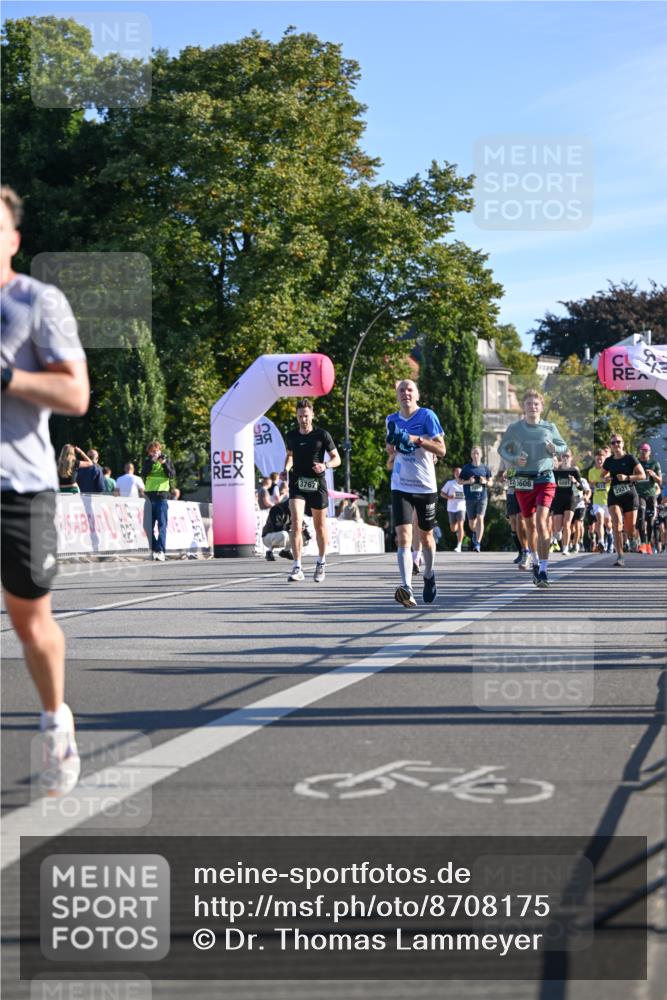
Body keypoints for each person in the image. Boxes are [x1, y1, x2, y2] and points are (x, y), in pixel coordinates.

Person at [1, 185, 90, 795]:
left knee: (30, 622)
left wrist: (8, 376)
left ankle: (56, 722)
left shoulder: (38, 303)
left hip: (19, 485)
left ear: (13, 240)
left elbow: (75, 395)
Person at [498, 389, 567, 588]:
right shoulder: (515, 428)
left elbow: (563, 446)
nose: (532, 407)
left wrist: (555, 449)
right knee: (529, 525)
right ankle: (535, 562)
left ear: (541, 407)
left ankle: (544, 570)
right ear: (524, 407)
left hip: (545, 478)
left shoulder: (549, 427)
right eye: (529, 404)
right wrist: (513, 459)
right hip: (523, 481)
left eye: (536, 404)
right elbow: (502, 448)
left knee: (541, 521)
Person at [386, 379, 446, 607]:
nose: (405, 393)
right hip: (400, 485)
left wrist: (417, 440)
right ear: (397, 395)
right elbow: (389, 448)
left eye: (410, 389)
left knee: (427, 537)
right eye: (401, 390)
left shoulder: (427, 416)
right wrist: (393, 446)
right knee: (403, 537)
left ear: (417, 394)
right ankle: (407, 587)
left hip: (425, 486)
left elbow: (442, 449)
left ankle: (429, 575)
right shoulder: (391, 419)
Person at [283, 398, 341, 582]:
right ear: (296, 416)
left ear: (312, 415)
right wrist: (285, 470)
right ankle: (297, 567)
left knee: (319, 526)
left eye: (306, 416)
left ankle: (321, 562)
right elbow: (290, 457)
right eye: (300, 416)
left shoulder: (322, 435)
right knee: (296, 523)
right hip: (297, 482)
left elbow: (337, 459)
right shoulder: (291, 436)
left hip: (316, 483)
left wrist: (325, 466)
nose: (303, 420)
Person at [603, 435, 645, 567]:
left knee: (630, 528)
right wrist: (606, 478)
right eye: (613, 443)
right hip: (614, 494)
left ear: (623, 443)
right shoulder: (609, 461)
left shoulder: (630, 458)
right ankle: (620, 556)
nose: (616, 445)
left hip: (630, 495)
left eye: (618, 442)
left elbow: (642, 475)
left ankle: (632, 537)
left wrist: (628, 477)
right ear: (611, 445)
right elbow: (602, 475)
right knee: (616, 524)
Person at [141, 440, 176, 561]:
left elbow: (171, 475)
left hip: (162, 497)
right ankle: (155, 548)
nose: (155, 453)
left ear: (160, 450)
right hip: (149, 497)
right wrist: (152, 462)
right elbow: (144, 473)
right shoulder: (148, 462)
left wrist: (164, 463)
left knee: (162, 525)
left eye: (157, 450)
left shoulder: (167, 460)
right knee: (147, 526)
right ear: (149, 453)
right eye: (152, 451)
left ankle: (160, 551)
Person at [460, 445, 492, 552]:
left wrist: (485, 482)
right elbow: (459, 481)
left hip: (482, 497)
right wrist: (468, 482)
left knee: (480, 518)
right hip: (469, 498)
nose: (475, 455)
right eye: (474, 453)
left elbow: (491, 482)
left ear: (481, 455)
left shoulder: (485, 468)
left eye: (477, 453)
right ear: (471, 455)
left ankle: (477, 543)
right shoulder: (466, 468)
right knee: (471, 524)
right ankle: (475, 533)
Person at [550, 450, 583, 556]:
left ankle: (565, 548)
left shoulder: (574, 471)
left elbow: (581, 487)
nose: (565, 458)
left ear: (571, 458)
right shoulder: (556, 471)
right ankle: (558, 534)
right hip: (558, 499)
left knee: (567, 523)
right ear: (561, 458)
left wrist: (575, 481)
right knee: (557, 528)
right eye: (563, 456)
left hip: (570, 499)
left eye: (567, 456)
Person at [262, 496, 312, 561]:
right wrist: (291, 526)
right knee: (284, 535)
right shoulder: (276, 509)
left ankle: (286, 551)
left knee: (304, 539)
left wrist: (303, 529)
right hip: (268, 536)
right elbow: (276, 527)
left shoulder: (295, 512)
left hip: (283, 534)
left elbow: (301, 527)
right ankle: (269, 551)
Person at [635, 443, 662, 551]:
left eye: (645, 451)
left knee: (650, 521)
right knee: (641, 517)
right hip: (639, 494)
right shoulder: (636, 463)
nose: (643, 453)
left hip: (651, 495)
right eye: (641, 451)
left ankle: (648, 543)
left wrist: (653, 475)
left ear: (649, 452)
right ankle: (642, 543)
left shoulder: (654, 463)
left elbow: (660, 481)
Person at [587, 449, 613, 552]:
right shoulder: (591, 471)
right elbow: (591, 484)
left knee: (608, 523)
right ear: (595, 459)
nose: (599, 461)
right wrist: (601, 481)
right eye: (597, 459)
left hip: (608, 500)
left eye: (601, 459)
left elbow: (611, 480)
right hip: (597, 500)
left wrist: (607, 479)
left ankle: (610, 535)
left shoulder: (608, 470)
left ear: (604, 459)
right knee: (600, 519)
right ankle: (601, 541)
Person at [440, 467, 466, 552]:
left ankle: (459, 545)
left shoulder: (465, 483)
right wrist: (449, 497)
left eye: (460, 472)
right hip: (451, 508)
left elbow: (467, 495)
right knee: (453, 529)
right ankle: (459, 531)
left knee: (460, 525)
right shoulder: (450, 483)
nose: (458, 474)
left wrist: (457, 495)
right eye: (456, 472)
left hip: (461, 507)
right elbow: (442, 493)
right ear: (454, 474)